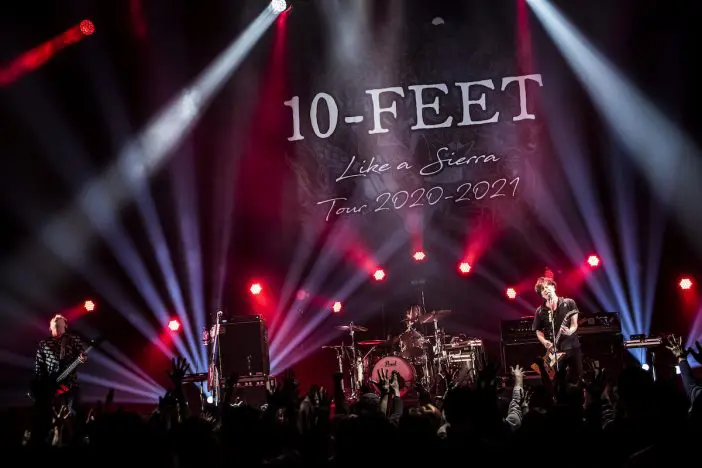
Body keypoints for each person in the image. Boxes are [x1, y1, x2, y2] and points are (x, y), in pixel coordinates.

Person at [532, 276, 583, 384]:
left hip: (572, 347)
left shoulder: (569, 303)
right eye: (542, 289)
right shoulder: (540, 311)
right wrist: (544, 342)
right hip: (554, 351)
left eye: (547, 286)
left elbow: (574, 324)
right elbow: (538, 331)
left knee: (577, 379)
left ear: (553, 287)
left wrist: (569, 331)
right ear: (541, 294)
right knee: (558, 382)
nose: (545, 290)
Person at [33, 314, 87, 412]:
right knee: (50, 413)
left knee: (73, 413)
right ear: (50, 327)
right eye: (55, 323)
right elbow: (38, 366)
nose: (57, 323)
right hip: (51, 387)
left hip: (70, 384)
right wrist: (41, 386)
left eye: (60, 323)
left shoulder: (73, 340)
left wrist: (83, 358)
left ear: (65, 326)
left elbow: (83, 355)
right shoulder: (43, 343)